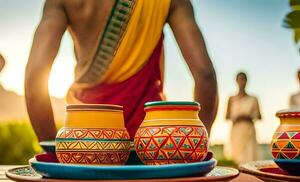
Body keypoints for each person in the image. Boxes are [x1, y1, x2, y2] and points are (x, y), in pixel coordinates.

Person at [25, 0, 218, 142]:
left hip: (86, 138)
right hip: (148, 139)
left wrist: (54, 151)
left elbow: (34, 82)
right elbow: (205, 75)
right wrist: (197, 145)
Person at [226, 72, 261, 164]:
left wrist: (248, 116)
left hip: (248, 129)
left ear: (246, 81)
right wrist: (237, 117)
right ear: (236, 81)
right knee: (236, 157)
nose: (242, 82)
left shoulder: (254, 98)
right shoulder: (231, 99)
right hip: (236, 130)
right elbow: (226, 116)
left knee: (249, 156)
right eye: (240, 79)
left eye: (244, 79)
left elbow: (259, 116)